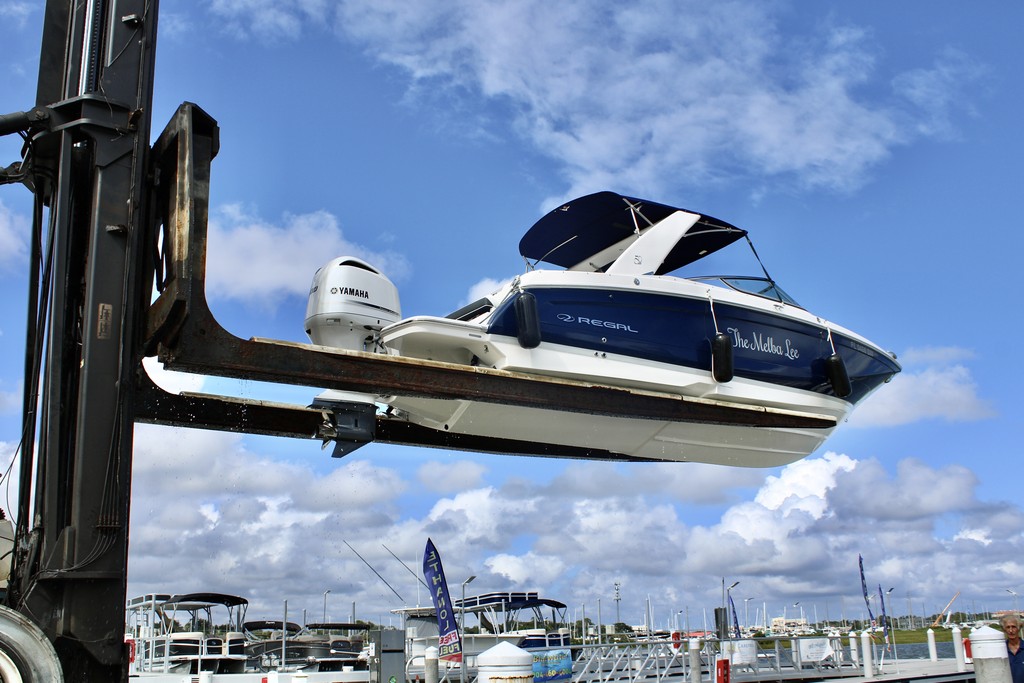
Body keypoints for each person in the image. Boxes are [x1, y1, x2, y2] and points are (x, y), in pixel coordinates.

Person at [1002, 614, 1024, 683]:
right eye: (1008, 627)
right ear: (1004, 629)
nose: (1011, 630)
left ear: (1018, 628)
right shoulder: (1001, 650)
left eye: (1013, 627)